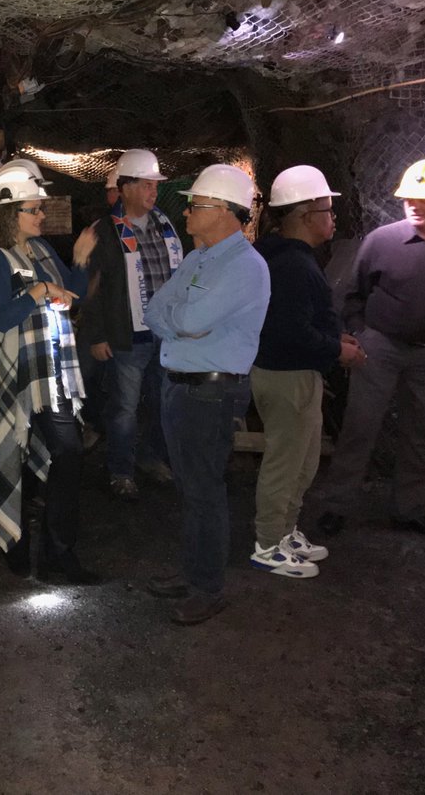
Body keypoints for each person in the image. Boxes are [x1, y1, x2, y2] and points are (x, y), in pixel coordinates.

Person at [314, 157, 425, 539]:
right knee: (360, 427)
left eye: (424, 198)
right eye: (408, 197)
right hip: (381, 347)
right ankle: (337, 506)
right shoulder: (382, 242)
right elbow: (355, 294)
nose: (414, 204)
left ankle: (407, 509)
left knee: (420, 431)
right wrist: (362, 334)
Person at [0, 160, 100, 584]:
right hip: (12, 374)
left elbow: (70, 298)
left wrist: (77, 261)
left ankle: (57, 553)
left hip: (49, 372)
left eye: (40, 208)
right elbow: (1, 318)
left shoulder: (41, 251)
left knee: (67, 453)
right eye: (34, 209)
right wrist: (39, 291)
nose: (42, 215)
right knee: (13, 456)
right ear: (10, 213)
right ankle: (17, 544)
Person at [142, 164, 271, 625]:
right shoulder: (200, 258)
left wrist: (183, 318)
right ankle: (195, 572)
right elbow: (157, 310)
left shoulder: (245, 267)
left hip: (210, 395)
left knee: (204, 491)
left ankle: (209, 587)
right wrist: (183, 317)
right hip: (180, 386)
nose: (188, 211)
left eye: (197, 204)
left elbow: (190, 321)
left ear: (224, 212)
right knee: (192, 489)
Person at [250, 165, 366, 579]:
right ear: (303, 216)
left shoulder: (285, 255)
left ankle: (285, 531)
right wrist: (338, 350)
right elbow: (291, 331)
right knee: (286, 462)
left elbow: (304, 319)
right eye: (326, 209)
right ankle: (267, 543)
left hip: (292, 373)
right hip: (288, 376)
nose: (333, 218)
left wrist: (338, 339)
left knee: (303, 461)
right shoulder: (292, 266)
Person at [84, 149, 184, 500]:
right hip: (127, 336)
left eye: (154, 185)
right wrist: (96, 335)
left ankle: (151, 457)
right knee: (124, 408)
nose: (152, 192)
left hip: (164, 334)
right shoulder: (104, 232)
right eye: (145, 184)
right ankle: (121, 470)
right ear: (124, 188)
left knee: (162, 402)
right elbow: (91, 288)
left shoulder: (165, 225)